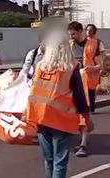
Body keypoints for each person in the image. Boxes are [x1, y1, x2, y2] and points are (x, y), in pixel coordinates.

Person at [26, 30, 93, 178]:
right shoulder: (71, 66)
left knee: (49, 160)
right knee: (59, 162)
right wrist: (87, 119)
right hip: (61, 119)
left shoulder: (40, 66)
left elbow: (33, 90)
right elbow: (80, 97)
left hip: (41, 118)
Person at [68, 21, 103, 157]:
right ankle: (86, 129)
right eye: (69, 34)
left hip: (86, 83)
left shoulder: (94, 44)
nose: (71, 37)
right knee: (75, 114)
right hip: (71, 83)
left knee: (84, 113)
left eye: (73, 34)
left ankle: (83, 143)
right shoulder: (68, 45)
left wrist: (91, 68)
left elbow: (101, 65)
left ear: (80, 31)